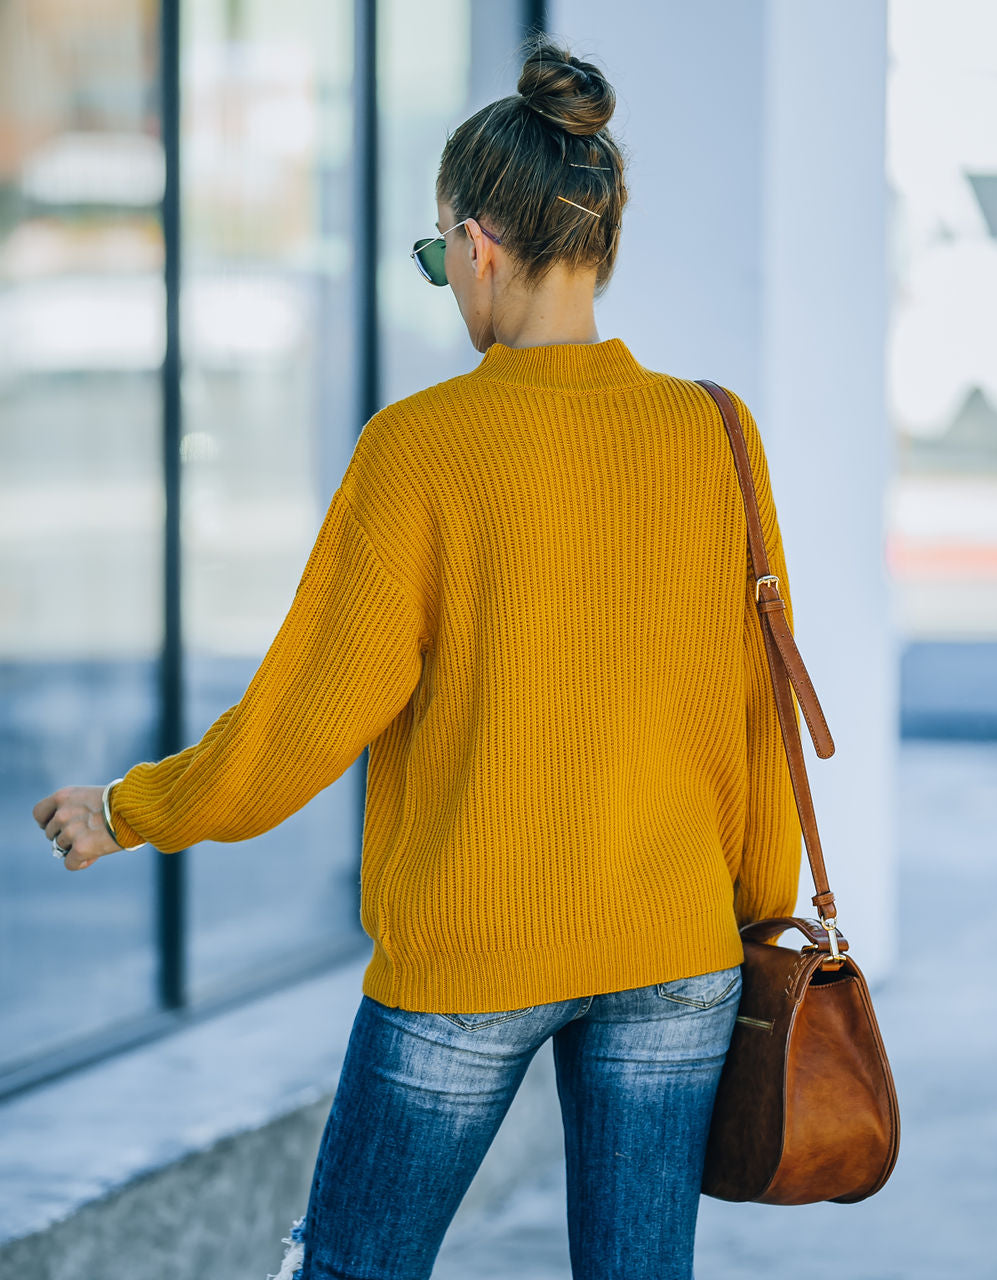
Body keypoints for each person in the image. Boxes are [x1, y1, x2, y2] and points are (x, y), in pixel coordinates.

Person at [33, 35, 801, 1280]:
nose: (450, 281)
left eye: (443, 256)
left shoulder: (422, 448)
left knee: (350, 1265)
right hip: (677, 945)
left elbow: (303, 715)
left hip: (471, 947)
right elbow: (756, 704)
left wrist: (134, 809)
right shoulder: (713, 431)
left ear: (480, 242)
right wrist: (755, 907)